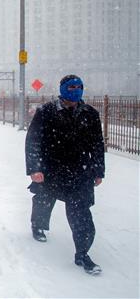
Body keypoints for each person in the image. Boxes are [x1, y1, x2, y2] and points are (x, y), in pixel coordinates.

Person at [25, 74, 105, 275]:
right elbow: (33, 141)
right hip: (51, 169)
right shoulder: (46, 111)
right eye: (71, 87)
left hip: (80, 172)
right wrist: (35, 168)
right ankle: (38, 225)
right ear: (62, 89)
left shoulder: (90, 114)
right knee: (44, 199)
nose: (75, 90)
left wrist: (98, 170)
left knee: (81, 213)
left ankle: (82, 253)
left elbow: (97, 145)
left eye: (79, 87)